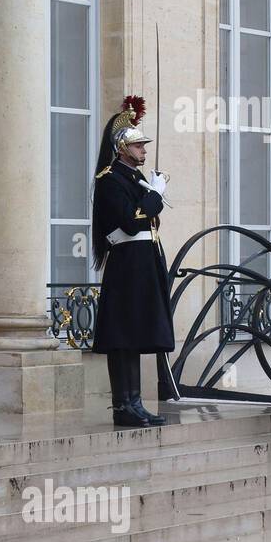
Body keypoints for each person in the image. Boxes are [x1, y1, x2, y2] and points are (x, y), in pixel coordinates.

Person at [90, 95, 174, 427]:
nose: (143, 150)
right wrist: (154, 194)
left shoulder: (134, 179)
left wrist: (151, 194)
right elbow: (131, 220)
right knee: (122, 334)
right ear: (123, 148)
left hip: (143, 262)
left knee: (135, 333)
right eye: (138, 146)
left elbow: (149, 220)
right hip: (127, 264)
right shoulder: (110, 179)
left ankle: (135, 402)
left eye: (143, 145)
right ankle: (123, 404)